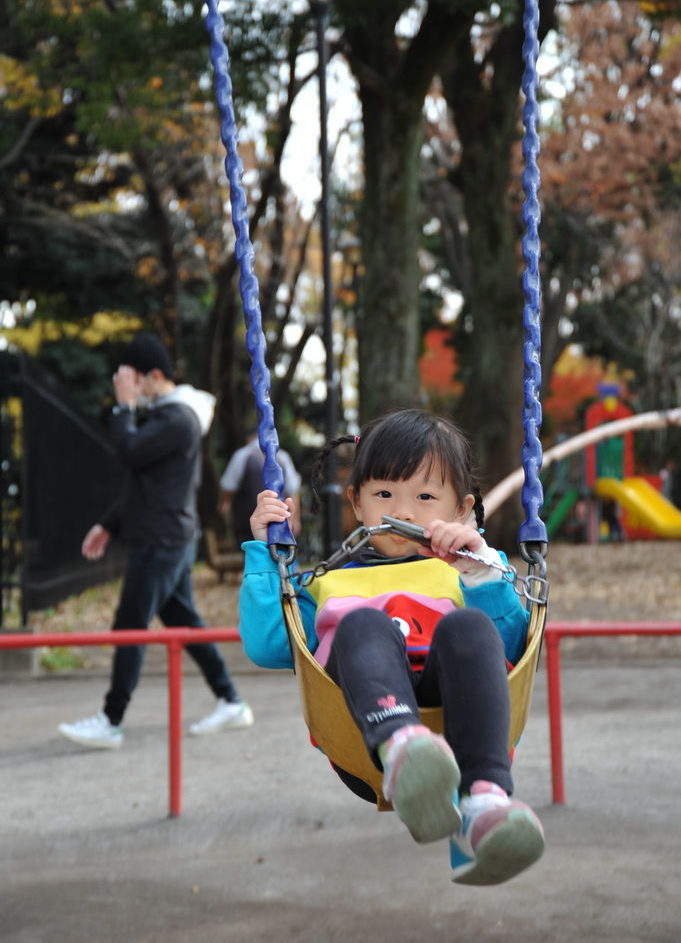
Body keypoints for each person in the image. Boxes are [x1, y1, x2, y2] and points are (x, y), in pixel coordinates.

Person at [238, 409, 544, 887]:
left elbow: (513, 649)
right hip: (364, 736)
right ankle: (406, 752)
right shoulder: (330, 581)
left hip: (455, 716)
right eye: (384, 494)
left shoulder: (475, 572)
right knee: (363, 623)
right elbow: (268, 644)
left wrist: (481, 564)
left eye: (425, 496)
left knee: (470, 629)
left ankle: (484, 802)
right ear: (357, 503)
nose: (402, 512)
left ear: (461, 509)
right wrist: (266, 553)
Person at [58, 331, 253, 750]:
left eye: (131, 378)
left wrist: (122, 405)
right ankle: (231, 700)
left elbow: (127, 450)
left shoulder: (177, 418)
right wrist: (109, 523)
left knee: (130, 625)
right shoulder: (169, 417)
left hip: (162, 540)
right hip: (165, 536)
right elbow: (145, 480)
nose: (126, 387)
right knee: (184, 623)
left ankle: (110, 720)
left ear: (154, 375)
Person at [219, 428, 302, 545]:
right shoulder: (283, 456)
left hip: (247, 519)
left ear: (248, 438)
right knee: (281, 552)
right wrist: (296, 519)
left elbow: (229, 487)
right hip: (279, 518)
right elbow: (293, 491)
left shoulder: (242, 455)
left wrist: (225, 505)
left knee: (250, 551)